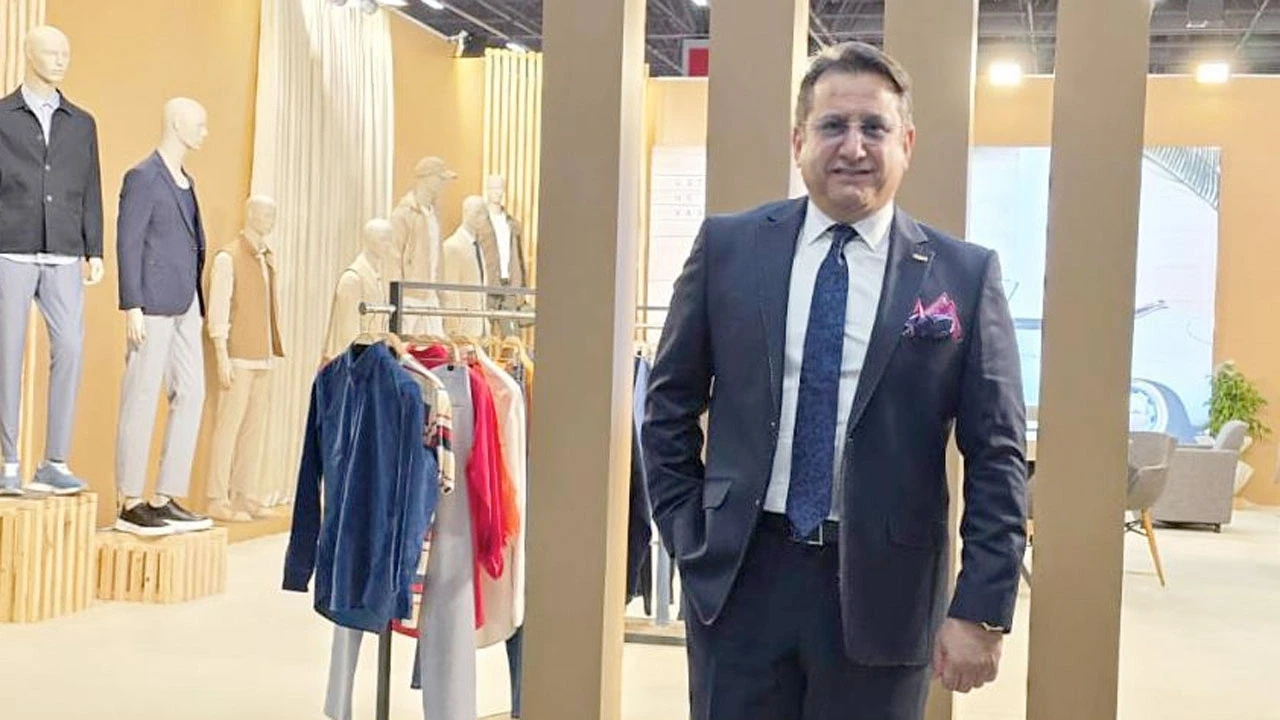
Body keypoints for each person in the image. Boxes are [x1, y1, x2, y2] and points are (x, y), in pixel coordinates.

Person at [643, 41, 1028, 720]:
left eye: (874, 127)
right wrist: (688, 534)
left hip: (887, 594)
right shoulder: (729, 248)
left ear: (906, 143)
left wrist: (981, 606)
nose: (854, 146)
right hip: (739, 580)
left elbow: (997, 453)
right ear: (799, 142)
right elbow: (667, 407)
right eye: (832, 126)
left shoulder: (963, 277)